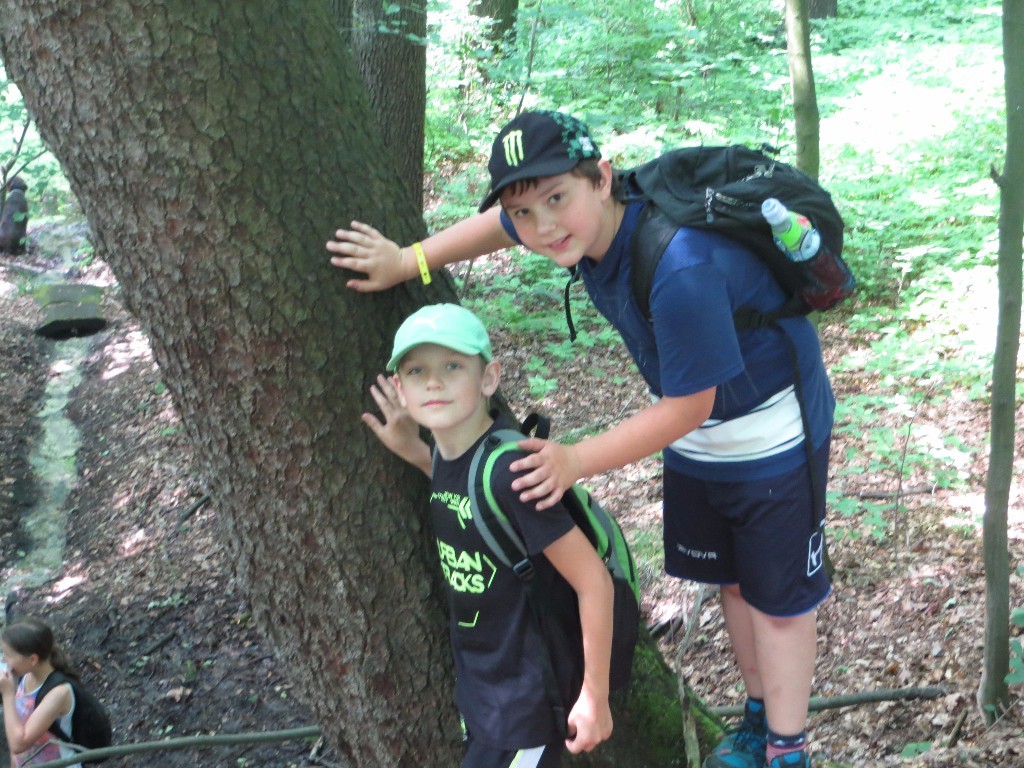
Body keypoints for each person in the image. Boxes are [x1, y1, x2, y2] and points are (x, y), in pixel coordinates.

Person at [328, 110, 834, 768]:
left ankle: (788, 753)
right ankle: (759, 722)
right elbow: (503, 224)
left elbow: (690, 405)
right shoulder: (581, 225)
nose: (543, 226)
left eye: (556, 199)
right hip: (700, 442)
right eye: (527, 210)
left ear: (602, 178)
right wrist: (408, 260)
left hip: (772, 435)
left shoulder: (680, 265)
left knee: (779, 603)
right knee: (735, 584)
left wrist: (574, 460)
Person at [363, 302, 615, 768]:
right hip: (486, 693)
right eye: (417, 371)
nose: (434, 382)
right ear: (400, 389)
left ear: (489, 378)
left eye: (452, 366)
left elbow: (593, 581)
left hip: (527, 704)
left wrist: (594, 697)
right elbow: (461, 489)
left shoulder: (513, 476)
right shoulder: (450, 456)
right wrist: (413, 450)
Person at [0, 617, 81, 768]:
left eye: (8, 654)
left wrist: (7, 694)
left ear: (32, 659)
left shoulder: (59, 693)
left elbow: (18, 744)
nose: (3, 660)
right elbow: (16, 725)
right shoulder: (27, 675)